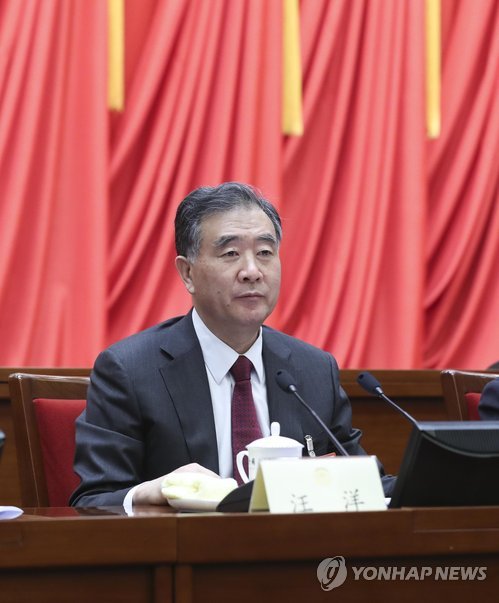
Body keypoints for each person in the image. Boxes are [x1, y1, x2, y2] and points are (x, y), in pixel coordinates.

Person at [70, 182, 394, 508]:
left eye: (265, 253)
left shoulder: (313, 371)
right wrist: (152, 491)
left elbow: (364, 483)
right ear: (187, 273)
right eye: (231, 254)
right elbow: (93, 500)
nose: (252, 272)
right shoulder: (131, 371)